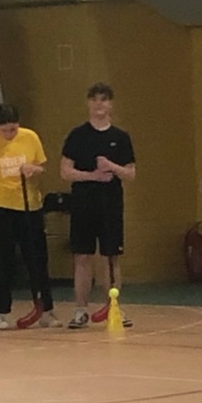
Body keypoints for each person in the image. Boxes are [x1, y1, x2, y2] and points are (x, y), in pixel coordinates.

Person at [0, 103, 60, 330]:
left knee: (37, 260)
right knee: (1, 261)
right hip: (0, 207)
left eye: (13, 129)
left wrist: (32, 169)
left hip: (29, 207)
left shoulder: (30, 137)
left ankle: (46, 310)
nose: (9, 134)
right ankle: (0, 312)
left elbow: (42, 167)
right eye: (4, 130)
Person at [61, 83, 136, 329]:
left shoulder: (121, 137)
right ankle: (80, 310)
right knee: (82, 256)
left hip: (110, 204)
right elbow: (66, 171)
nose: (99, 104)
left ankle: (114, 306)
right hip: (83, 204)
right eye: (94, 99)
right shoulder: (77, 135)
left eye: (104, 99)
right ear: (88, 103)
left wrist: (111, 166)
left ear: (111, 104)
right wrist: (93, 176)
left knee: (111, 257)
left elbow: (130, 173)